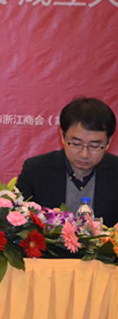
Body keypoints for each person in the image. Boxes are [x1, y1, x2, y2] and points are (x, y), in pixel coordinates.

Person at [17, 97, 118, 227]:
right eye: (76, 144)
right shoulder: (36, 170)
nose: (84, 154)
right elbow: (18, 221)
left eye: (94, 146)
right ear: (62, 136)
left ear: (109, 142)